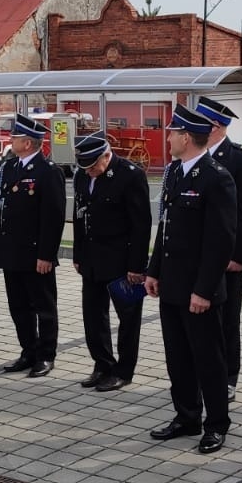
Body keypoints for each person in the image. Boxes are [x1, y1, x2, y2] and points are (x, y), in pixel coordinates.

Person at [146, 104, 238, 455]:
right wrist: (154, 271)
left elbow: (220, 241)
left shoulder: (216, 177)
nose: (168, 138)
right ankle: (186, 416)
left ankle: (216, 424)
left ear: (186, 138)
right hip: (172, 283)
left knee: (208, 360)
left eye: (172, 133)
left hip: (199, 289)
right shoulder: (174, 172)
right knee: (178, 357)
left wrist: (204, 290)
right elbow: (166, 227)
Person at [195, 96, 242, 401]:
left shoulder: (240, 158)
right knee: (202, 320)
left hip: (227, 257)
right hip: (200, 254)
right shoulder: (194, 156)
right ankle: (204, 374)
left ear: (215, 126)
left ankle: (228, 377)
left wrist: (238, 255)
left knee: (227, 319)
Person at [72, 132, 152, 392]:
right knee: (93, 316)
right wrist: (78, 254)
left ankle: (124, 370)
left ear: (106, 156)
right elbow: (79, 216)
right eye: (85, 167)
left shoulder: (130, 175)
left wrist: (136, 266)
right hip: (92, 259)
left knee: (128, 318)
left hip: (121, 261)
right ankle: (102, 364)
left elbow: (141, 225)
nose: (89, 172)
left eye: (93, 166)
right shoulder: (83, 175)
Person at [0, 113, 66, 378]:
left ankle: (46, 355)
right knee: (19, 307)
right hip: (12, 252)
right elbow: (2, 210)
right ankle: (28, 351)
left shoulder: (48, 172)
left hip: (36, 254)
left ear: (27, 143)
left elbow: (53, 218)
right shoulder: (10, 168)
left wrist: (46, 255)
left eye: (15, 137)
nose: (11, 140)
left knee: (43, 308)